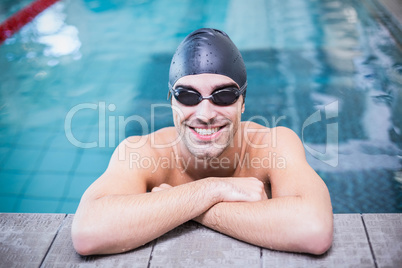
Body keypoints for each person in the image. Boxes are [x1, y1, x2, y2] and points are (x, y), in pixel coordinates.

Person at [71, 28, 333, 256]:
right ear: (171, 102)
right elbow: (87, 232)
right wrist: (213, 190)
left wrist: (181, 207)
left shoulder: (273, 143)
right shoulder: (141, 152)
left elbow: (314, 230)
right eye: (187, 96)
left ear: (243, 102)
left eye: (224, 95)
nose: (205, 115)